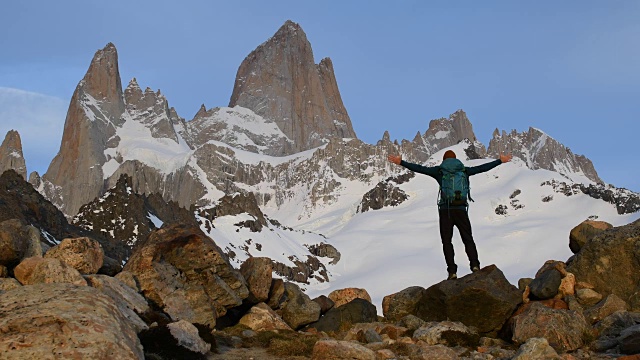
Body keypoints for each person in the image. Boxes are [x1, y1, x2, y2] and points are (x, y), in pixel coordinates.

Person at [388, 150, 512, 280]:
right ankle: (475, 265)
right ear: (456, 159)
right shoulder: (464, 171)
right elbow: (482, 168)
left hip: (445, 210)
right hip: (461, 210)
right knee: (468, 239)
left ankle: (452, 271)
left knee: (447, 242)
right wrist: (499, 161)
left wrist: (401, 162)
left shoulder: (440, 171)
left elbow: (420, 169)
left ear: (444, 160)